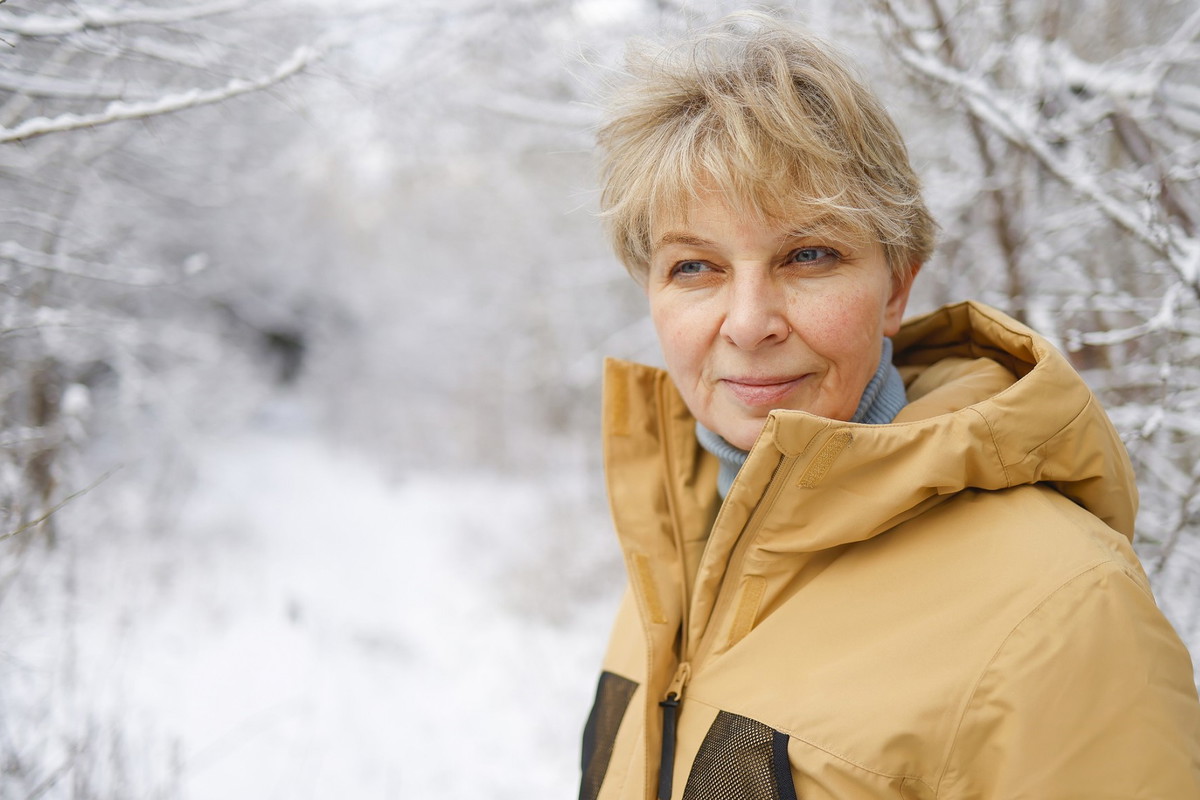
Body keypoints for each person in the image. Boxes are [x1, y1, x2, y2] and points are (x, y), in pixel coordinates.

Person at [579, 11, 1200, 800]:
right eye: (695, 266)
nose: (747, 322)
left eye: (809, 255)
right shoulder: (677, 547)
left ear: (896, 286)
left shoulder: (1062, 610)